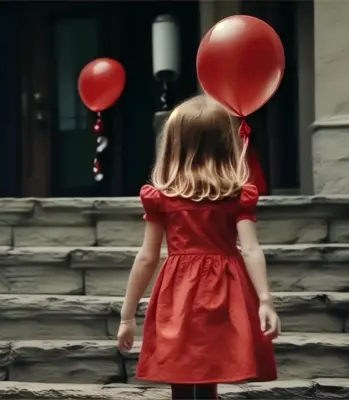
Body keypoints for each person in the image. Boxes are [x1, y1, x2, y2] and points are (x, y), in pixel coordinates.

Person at [116, 95, 280, 400]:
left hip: (177, 292)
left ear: (175, 146)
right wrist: (265, 300)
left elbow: (148, 257)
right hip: (225, 289)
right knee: (209, 372)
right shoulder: (237, 195)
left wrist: (127, 316)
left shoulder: (163, 197)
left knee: (181, 370)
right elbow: (251, 249)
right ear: (224, 144)